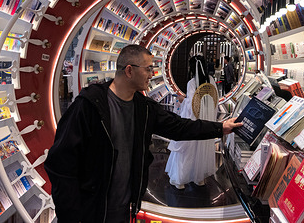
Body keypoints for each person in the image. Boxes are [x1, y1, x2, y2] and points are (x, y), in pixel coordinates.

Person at [44, 45, 242, 223]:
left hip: (123, 210)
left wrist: (219, 128)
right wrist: (70, 214)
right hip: (90, 211)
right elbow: (60, 164)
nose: (151, 73)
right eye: (148, 68)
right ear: (129, 70)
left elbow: (179, 127)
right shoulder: (89, 106)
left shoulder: (144, 108)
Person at [165, 55, 219, 189]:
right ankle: (199, 178)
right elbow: (214, 100)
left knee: (185, 151)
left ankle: (180, 180)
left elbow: (191, 105)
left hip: (192, 122)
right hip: (206, 121)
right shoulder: (211, 80)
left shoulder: (192, 83)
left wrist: (182, 100)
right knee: (200, 150)